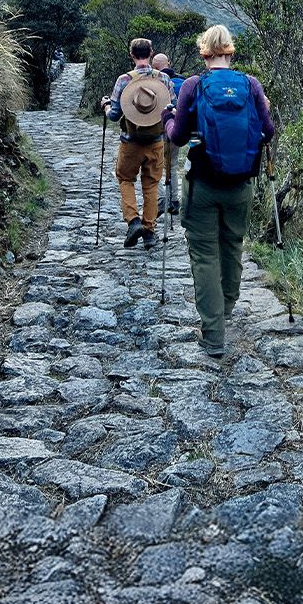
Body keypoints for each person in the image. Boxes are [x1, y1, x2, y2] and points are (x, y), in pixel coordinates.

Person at [162, 24, 274, 357]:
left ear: (204, 52)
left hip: (202, 185)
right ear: (230, 51)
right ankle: (226, 307)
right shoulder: (250, 85)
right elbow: (267, 132)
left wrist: (169, 117)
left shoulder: (194, 86)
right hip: (241, 185)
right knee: (232, 245)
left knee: (204, 255)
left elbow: (178, 136)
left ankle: (213, 335)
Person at [101, 38, 173, 250]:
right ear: (151, 53)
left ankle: (133, 221)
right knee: (151, 184)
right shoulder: (164, 79)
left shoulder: (124, 80)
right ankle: (149, 233)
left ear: (131, 55)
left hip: (130, 141)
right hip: (156, 142)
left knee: (125, 178)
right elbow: (172, 108)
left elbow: (114, 115)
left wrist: (105, 106)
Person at [152, 52, 185, 216]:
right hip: (176, 128)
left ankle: (162, 199)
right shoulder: (183, 81)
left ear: (154, 66)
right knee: (172, 164)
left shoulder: (153, 80)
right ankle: (174, 200)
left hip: (158, 128)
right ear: (169, 63)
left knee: (156, 164)